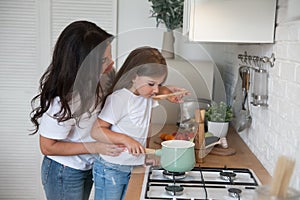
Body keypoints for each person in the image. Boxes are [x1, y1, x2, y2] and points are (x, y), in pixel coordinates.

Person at [30, 20, 125, 200]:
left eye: (110, 55)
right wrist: (95, 147)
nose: (112, 63)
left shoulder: (102, 77)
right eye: (104, 60)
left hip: (87, 164)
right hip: (64, 171)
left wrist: (163, 91)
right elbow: (47, 147)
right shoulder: (64, 99)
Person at [91, 47, 172, 200]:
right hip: (111, 168)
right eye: (151, 84)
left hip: (135, 166)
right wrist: (126, 139)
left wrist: (145, 154)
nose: (156, 90)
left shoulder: (146, 97)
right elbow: (96, 131)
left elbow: (145, 127)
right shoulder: (119, 99)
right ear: (134, 76)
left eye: (159, 85)